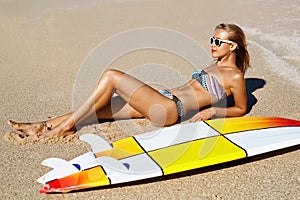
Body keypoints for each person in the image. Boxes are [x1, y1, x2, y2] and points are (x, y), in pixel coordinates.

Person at [7, 23, 249, 138]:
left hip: (169, 110)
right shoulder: (214, 64)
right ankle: (40, 125)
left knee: (111, 76)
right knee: (99, 108)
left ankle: (64, 127)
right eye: (212, 39)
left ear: (233, 46)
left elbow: (241, 107)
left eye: (218, 42)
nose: (212, 45)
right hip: (162, 100)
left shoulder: (235, 75)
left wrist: (213, 112)